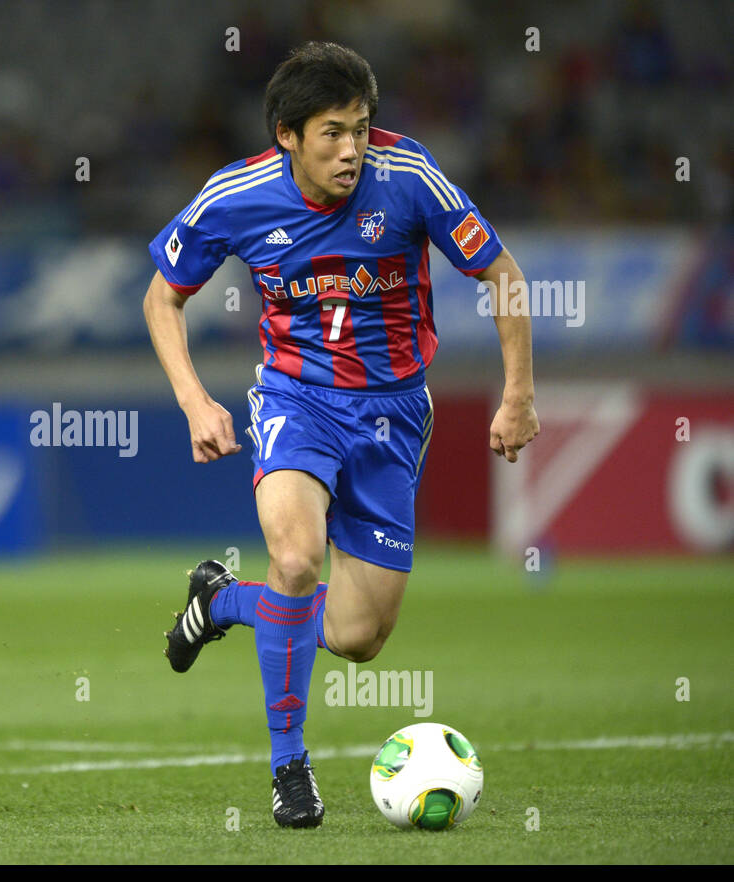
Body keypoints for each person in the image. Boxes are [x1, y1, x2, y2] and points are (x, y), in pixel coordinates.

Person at [142, 41, 539, 828]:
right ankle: (289, 765)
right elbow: (162, 298)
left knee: (359, 638)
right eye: (332, 132)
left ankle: (221, 602)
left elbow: (502, 273)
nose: (351, 149)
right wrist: (194, 402)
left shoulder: (409, 176)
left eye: (360, 128)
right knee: (295, 557)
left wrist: (518, 394)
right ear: (287, 134)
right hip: (297, 399)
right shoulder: (237, 195)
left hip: (394, 414)